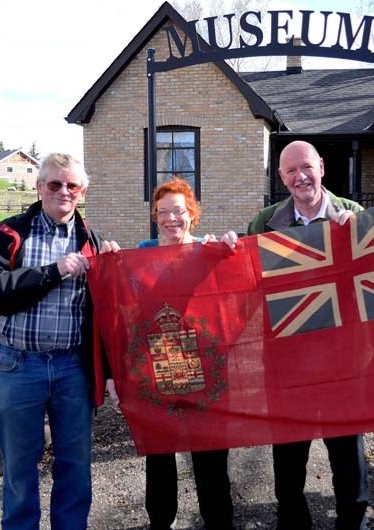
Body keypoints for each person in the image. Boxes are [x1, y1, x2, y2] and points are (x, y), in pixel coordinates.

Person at [221, 140, 369, 530]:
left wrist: (360, 238)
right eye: (291, 171)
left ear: (321, 167)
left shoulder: (351, 214)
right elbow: (245, 283)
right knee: (288, 456)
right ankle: (292, 523)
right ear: (282, 178)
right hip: (287, 360)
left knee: (347, 455)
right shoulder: (266, 222)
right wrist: (223, 252)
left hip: (341, 359)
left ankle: (352, 523)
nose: (300, 176)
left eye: (306, 167)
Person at [0, 153, 119, 530]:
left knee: (75, 467)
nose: (63, 192)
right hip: (20, 366)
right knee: (19, 470)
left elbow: (109, 308)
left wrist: (115, 266)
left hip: (73, 368)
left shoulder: (93, 242)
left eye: (72, 185)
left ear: (82, 191)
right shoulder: (8, 233)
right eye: (54, 184)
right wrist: (54, 271)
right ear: (39, 188)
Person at [107, 177, 235, 530]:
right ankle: (160, 523)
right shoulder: (141, 254)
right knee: (160, 457)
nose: (170, 219)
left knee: (210, 458)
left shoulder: (208, 252)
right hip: (156, 370)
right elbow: (122, 307)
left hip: (204, 371)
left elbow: (232, 297)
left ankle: (219, 522)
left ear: (191, 214)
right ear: (155, 216)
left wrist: (228, 253)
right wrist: (110, 263)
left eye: (178, 211)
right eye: (162, 212)